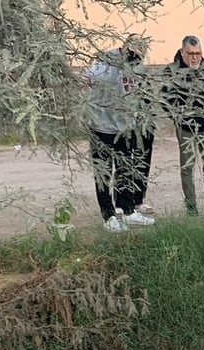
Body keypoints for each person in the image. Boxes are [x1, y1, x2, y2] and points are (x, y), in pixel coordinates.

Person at [81, 34, 156, 231]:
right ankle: (109, 217)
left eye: (140, 54)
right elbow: (87, 78)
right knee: (104, 173)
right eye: (134, 53)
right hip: (102, 126)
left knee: (126, 170)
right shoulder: (106, 60)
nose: (136, 57)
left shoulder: (138, 66)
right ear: (125, 48)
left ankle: (128, 210)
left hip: (125, 127)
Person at [164, 35, 204, 214]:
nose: (194, 57)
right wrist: (179, 118)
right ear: (182, 52)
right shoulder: (172, 70)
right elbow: (166, 99)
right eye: (191, 53)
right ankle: (191, 205)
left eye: (198, 53)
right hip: (186, 129)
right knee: (187, 167)